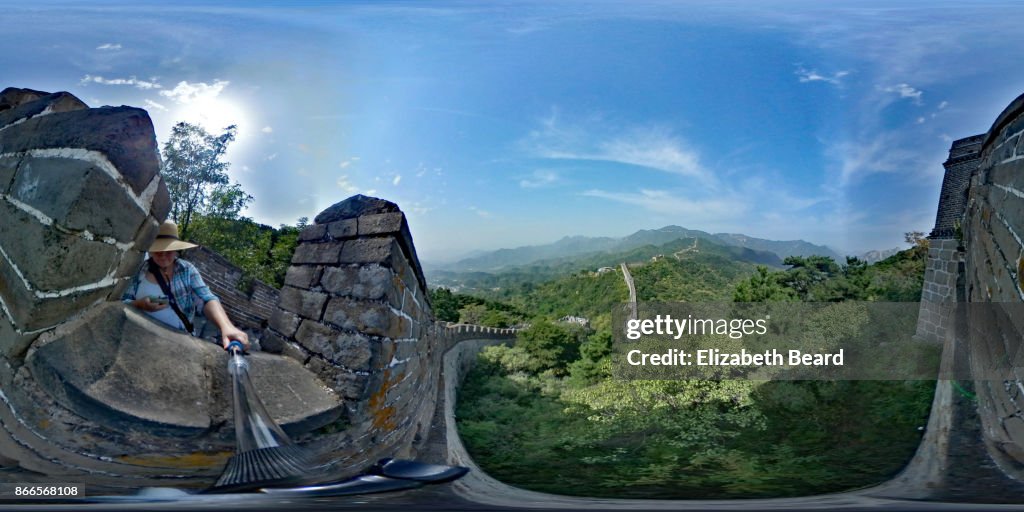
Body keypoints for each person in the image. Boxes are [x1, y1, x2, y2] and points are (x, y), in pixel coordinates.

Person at [122, 220, 250, 351]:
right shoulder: (141, 270)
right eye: (158, 251)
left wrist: (226, 327)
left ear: (176, 249)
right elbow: (124, 301)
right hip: (139, 337)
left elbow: (206, 299)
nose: (163, 256)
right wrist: (139, 304)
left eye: (169, 250)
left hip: (178, 343)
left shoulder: (187, 270)